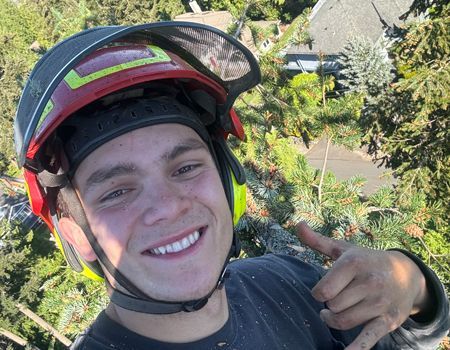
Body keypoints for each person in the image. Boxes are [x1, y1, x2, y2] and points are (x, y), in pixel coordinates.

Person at [14, 22, 449, 350]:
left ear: (229, 183)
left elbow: (403, 335)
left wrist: (413, 284)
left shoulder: (289, 285)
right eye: (117, 191)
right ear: (74, 233)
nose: (168, 206)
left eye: (184, 168)